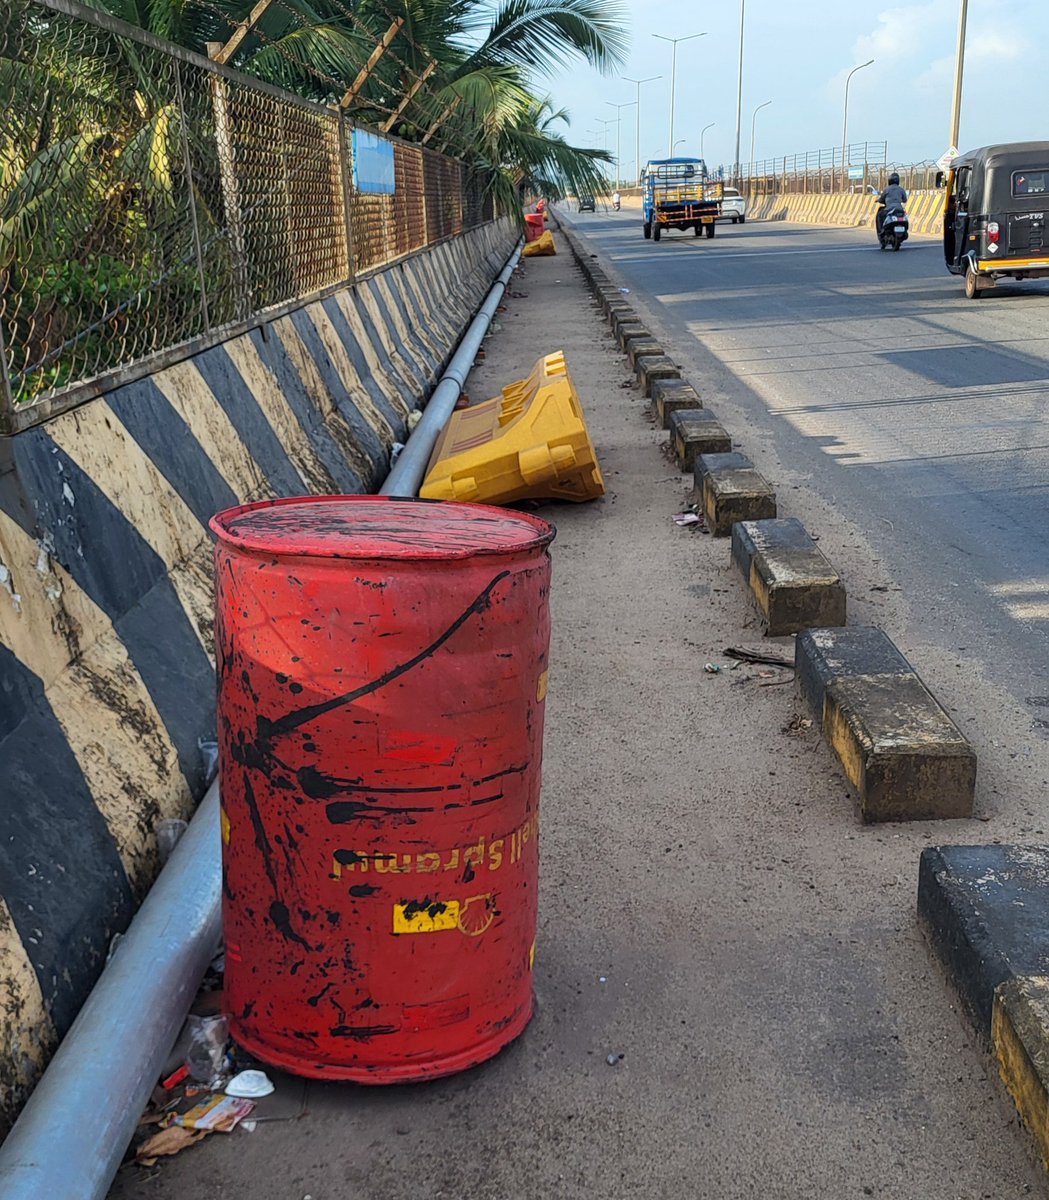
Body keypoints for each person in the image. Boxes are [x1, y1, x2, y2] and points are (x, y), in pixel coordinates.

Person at [876, 172, 908, 237]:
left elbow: (882, 198)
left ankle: (881, 230)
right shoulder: (901, 189)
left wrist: (878, 200)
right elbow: (905, 200)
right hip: (899, 208)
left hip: (889, 209)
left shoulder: (887, 189)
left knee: (880, 215)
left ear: (889, 180)